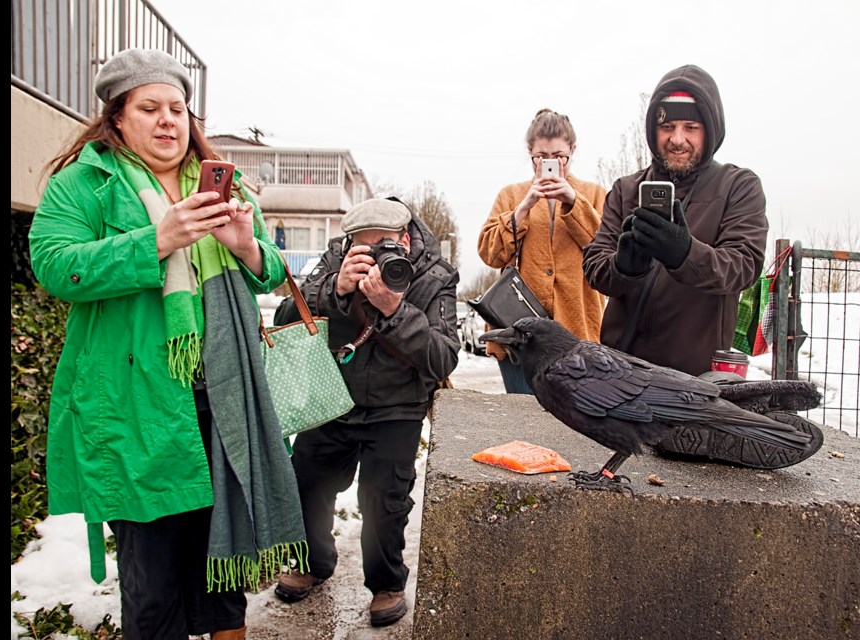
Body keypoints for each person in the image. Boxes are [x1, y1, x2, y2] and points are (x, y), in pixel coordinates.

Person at [27, 48, 308, 640]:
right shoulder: (86, 184)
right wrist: (154, 240)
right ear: (118, 118)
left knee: (223, 572)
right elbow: (52, 265)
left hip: (220, 404)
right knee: (152, 588)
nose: (168, 120)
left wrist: (245, 244)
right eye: (149, 107)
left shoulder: (217, 180)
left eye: (178, 108)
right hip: (134, 408)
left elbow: (270, 269)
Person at [272, 197, 460, 627]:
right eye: (365, 247)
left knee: (384, 498)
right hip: (333, 396)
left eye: (386, 247)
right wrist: (335, 289)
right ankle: (310, 561)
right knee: (307, 479)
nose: (376, 258)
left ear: (406, 241)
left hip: (398, 406)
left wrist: (395, 309)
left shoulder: (434, 278)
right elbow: (287, 315)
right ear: (347, 244)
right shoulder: (334, 263)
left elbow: (443, 357)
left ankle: (386, 584)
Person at [583, 64, 768, 378]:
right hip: (622, 375)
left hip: (699, 379)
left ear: (709, 130)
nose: (677, 139)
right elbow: (594, 268)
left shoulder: (738, 186)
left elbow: (743, 265)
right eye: (667, 127)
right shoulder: (626, 190)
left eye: (690, 127)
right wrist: (625, 265)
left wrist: (684, 253)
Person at [477, 108, 607, 394]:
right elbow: (490, 253)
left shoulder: (595, 194)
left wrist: (573, 202)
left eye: (560, 156)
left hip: (577, 332)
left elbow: (607, 252)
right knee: (524, 419)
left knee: (574, 426)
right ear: (530, 153)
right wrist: (523, 208)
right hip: (519, 337)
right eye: (541, 157)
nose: (551, 164)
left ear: (573, 150)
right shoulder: (511, 195)